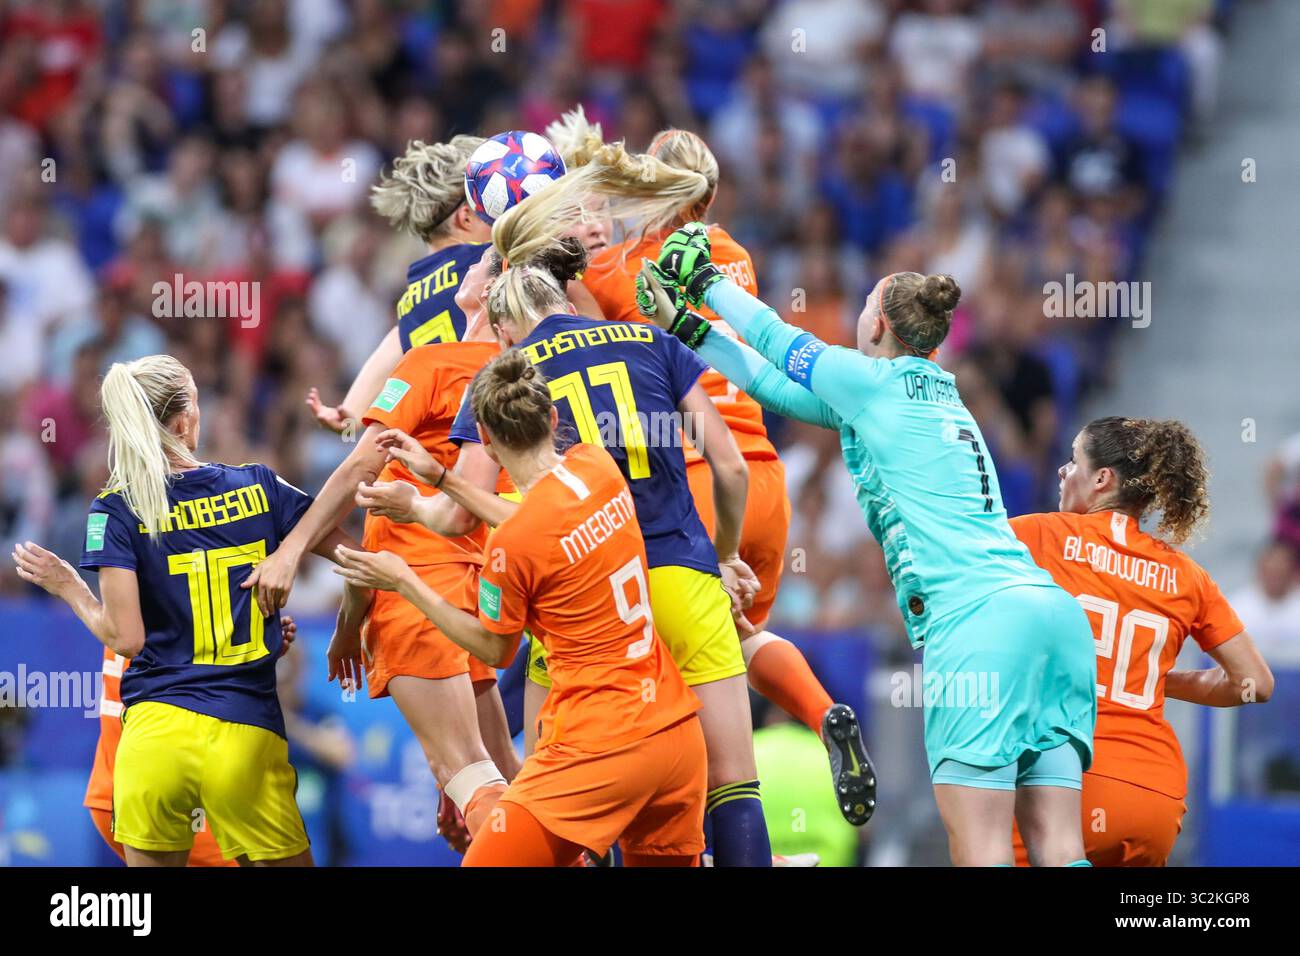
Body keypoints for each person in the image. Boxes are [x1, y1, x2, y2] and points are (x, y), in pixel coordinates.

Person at [641, 225, 1097, 866]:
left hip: (978, 625)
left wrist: (709, 283)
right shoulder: (936, 397)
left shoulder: (877, 386)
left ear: (878, 323)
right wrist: (687, 328)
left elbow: (780, 340)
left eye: (860, 310)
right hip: (1050, 619)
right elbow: (773, 386)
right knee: (1057, 843)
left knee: (983, 847)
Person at [542, 114, 876, 825]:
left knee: (680, 669)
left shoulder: (616, 271)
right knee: (745, 639)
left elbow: (555, 331)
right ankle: (821, 715)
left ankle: (671, 830)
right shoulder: (736, 256)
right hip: (763, 475)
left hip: (693, 485)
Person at [429, 220, 772, 866]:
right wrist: (723, 554)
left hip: (575, 607)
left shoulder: (507, 378)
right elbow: (729, 466)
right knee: (732, 779)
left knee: (562, 791)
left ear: (507, 326)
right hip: (678, 577)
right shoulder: (650, 339)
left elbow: (459, 516)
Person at [333, 350, 709, 867]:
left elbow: (495, 646)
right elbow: (538, 516)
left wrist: (406, 581)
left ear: (483, 439)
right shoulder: (595, 467)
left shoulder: (510, 550)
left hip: (600, 743)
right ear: (553, 419)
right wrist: (438, 485)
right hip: (676, 736)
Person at [12, 354, 367, 866]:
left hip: (153, 743)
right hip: (243, 736)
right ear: (182, 420)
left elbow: (126, 639)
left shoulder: (114, 508)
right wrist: (344, 627)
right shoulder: (258, 486)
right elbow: (357, 562)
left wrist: (69, 586)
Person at [244, 257, 521, 846]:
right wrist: (350, 622)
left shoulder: (431, 361)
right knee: (503, 775)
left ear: (493, 292)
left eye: (480, 264)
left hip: (418, 591)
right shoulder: (515, 375)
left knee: (465, 772)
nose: (465, 268)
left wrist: (291, 551)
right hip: (477, 590)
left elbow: (358, 472)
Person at [1008, 418, 1274, 865]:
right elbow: (1256, 683)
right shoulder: (1187, 575)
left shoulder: (1036, 536)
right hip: (1154, 794)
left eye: (1073, 461)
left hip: (1067, 782)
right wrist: (1156, 681)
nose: (1062, 471)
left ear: (1101, 478)